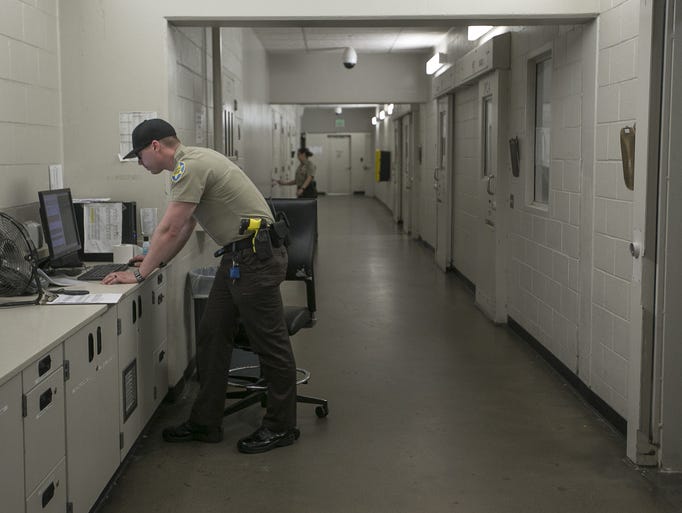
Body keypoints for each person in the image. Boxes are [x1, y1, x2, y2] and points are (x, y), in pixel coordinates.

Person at [102, 118, 299, 454]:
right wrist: (153, 261)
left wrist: (139, 275)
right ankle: (205, 422)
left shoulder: (188, 167)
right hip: (237, 259)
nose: (139, 163)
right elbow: (182, 229)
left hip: (255, 258)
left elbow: (168, 229)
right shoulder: (193, 163)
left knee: (270, 343)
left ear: (155, 147)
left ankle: (281, 427)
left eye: (138, 156)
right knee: (211, 334)